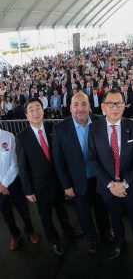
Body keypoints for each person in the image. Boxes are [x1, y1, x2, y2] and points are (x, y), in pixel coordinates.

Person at [88, 89, 133, 261]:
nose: (115, 107)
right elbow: (93, 159)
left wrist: (125, 183)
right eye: (111, 103)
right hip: (107, 187)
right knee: (114, 219)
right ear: (103, 107)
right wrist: (111, 184)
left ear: (124, 106)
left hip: (130, 185)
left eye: (119, 103)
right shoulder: (94, 128)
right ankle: (119, 244)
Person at [16, 98, 82, 257]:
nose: (35, 112)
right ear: (26, 115)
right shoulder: (22, 137)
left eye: (38, 108)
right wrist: (28, 190)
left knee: (62, 211)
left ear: (43, 110)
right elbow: (22, 167)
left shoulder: (53, 128)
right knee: (46, 217)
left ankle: (68, 232)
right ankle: (54, 241)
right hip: (39, 187)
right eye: (31, 110)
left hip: (58, 182)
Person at [52, 92, 112, 255]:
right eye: (76, 104)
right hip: (78, 181)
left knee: (102, 209)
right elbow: (58, 161)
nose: (80, 108)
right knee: (83, 213)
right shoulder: (60, 129)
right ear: (70, 107)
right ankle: (91, 239)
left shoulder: (101, 121)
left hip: (101, 179)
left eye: (84, 104)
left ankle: (106, 232)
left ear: (90, 106)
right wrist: (66, 185)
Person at [0, 125, 39, 250]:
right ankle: (15, 235)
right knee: (6, 214)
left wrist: (4, 184)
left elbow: (15, 164)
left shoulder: (8, 136)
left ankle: (30, 230)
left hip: (14, 182)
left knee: (23, 210)